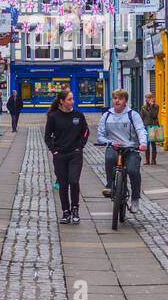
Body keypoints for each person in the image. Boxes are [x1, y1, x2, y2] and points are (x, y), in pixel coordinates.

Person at [98, 90, 148, 213]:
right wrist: (109, 142)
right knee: (109, 158)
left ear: (125, 101)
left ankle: (135, 199)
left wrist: (143, 143)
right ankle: (110, 185)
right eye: (115, 98)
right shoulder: (107, 116)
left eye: (120, 98)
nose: (117, 101)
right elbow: (100, 135)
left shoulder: (133, 115)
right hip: (114, 147)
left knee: (132, 170)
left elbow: (141, 129)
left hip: (131, 148)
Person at [44, 90, 88, 224]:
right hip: (60, 155)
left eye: (72, 99)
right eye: (69, 99)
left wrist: (80, 146)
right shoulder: (53, 116)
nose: (72, 102)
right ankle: (65, 211)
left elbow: (85, 132)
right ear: (62, 101)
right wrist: (54, 150)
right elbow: (47, 136)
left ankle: (75, 209)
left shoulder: (78, 115)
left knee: (74, 181)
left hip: (75, 154)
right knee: (63, 184)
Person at [140, 91, 161, 165]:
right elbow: (141, 118)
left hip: (153, 126)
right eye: (147, 98)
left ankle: (153, 160)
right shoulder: (143, 108)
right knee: (147, 144)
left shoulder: (156, 107)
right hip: (146, 126)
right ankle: (147, 160)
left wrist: (152, 107)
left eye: (150, 97)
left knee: (153, 143)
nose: (148, 99)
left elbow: (154, 115)